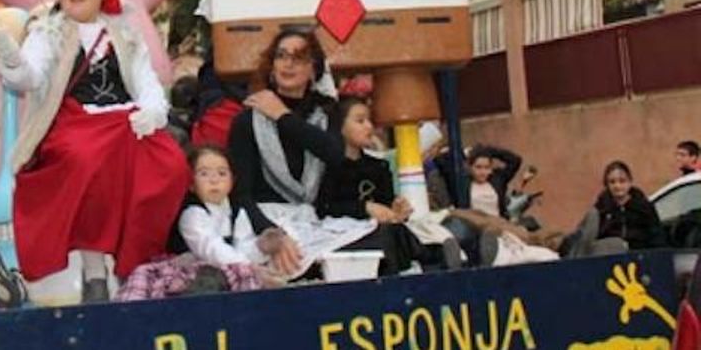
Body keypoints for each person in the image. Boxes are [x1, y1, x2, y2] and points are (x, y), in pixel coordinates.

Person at [0, 0, 190, 304]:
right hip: (75, 121)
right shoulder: (48, 30)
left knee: (171, 166)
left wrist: (153, 109)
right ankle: (94, 274)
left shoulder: (123, 31)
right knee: (85, 161)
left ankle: (136, 261)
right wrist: (10, 57)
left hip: (123, 119)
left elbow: (145, 77)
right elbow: (30, 77)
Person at [226, 30, 381, 277]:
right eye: (281, 56)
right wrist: (272, 234)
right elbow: (240, 194)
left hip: (312, 220)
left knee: (382, 240)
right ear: (272, 66)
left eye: (298, 57)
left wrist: (282, 115)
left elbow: (334, 154)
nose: (288, 64)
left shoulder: (327, 113)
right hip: (264, 223)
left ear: (313, 69)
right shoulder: (247, 120)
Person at [116, 145, 292, 301]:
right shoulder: (192, 214)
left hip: (230, 268)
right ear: (192, 184)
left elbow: (240, 249)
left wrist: (260, 248)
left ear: (232, 181)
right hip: (190, 272)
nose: (214, 180)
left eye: (222, 173)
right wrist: (249, 269)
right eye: (204, 174)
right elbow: (210, 247)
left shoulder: (237, 211)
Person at [317, 98, 460, 271]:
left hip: (382, 230)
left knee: (397, 230)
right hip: (344, 236)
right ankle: (429, 260)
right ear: (339, 126)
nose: (369, 127)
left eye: (369, 121)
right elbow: (324, 207)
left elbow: (387, 205)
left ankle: (434, 260)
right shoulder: (327, 167)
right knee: (391, 235)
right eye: (360, 121)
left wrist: (397, 209)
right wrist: (365, 208)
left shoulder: (378, 166)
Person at [595, 161, 665, 251]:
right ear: (607, 185)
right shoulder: (601, 209)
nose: (617, 186)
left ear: (630, 182)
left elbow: (657, 237)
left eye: (622, 181)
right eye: (612, 182)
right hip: (610, 258)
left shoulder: (644, 207)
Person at [467, 145, 523, 220]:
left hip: (498, 226)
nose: (483, 172)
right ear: (470, 167)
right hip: (473, 228)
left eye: (487, 167)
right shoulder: (463, 183)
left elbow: (515, 160)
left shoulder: (497, 179)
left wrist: (490, 151)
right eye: (478, 167)